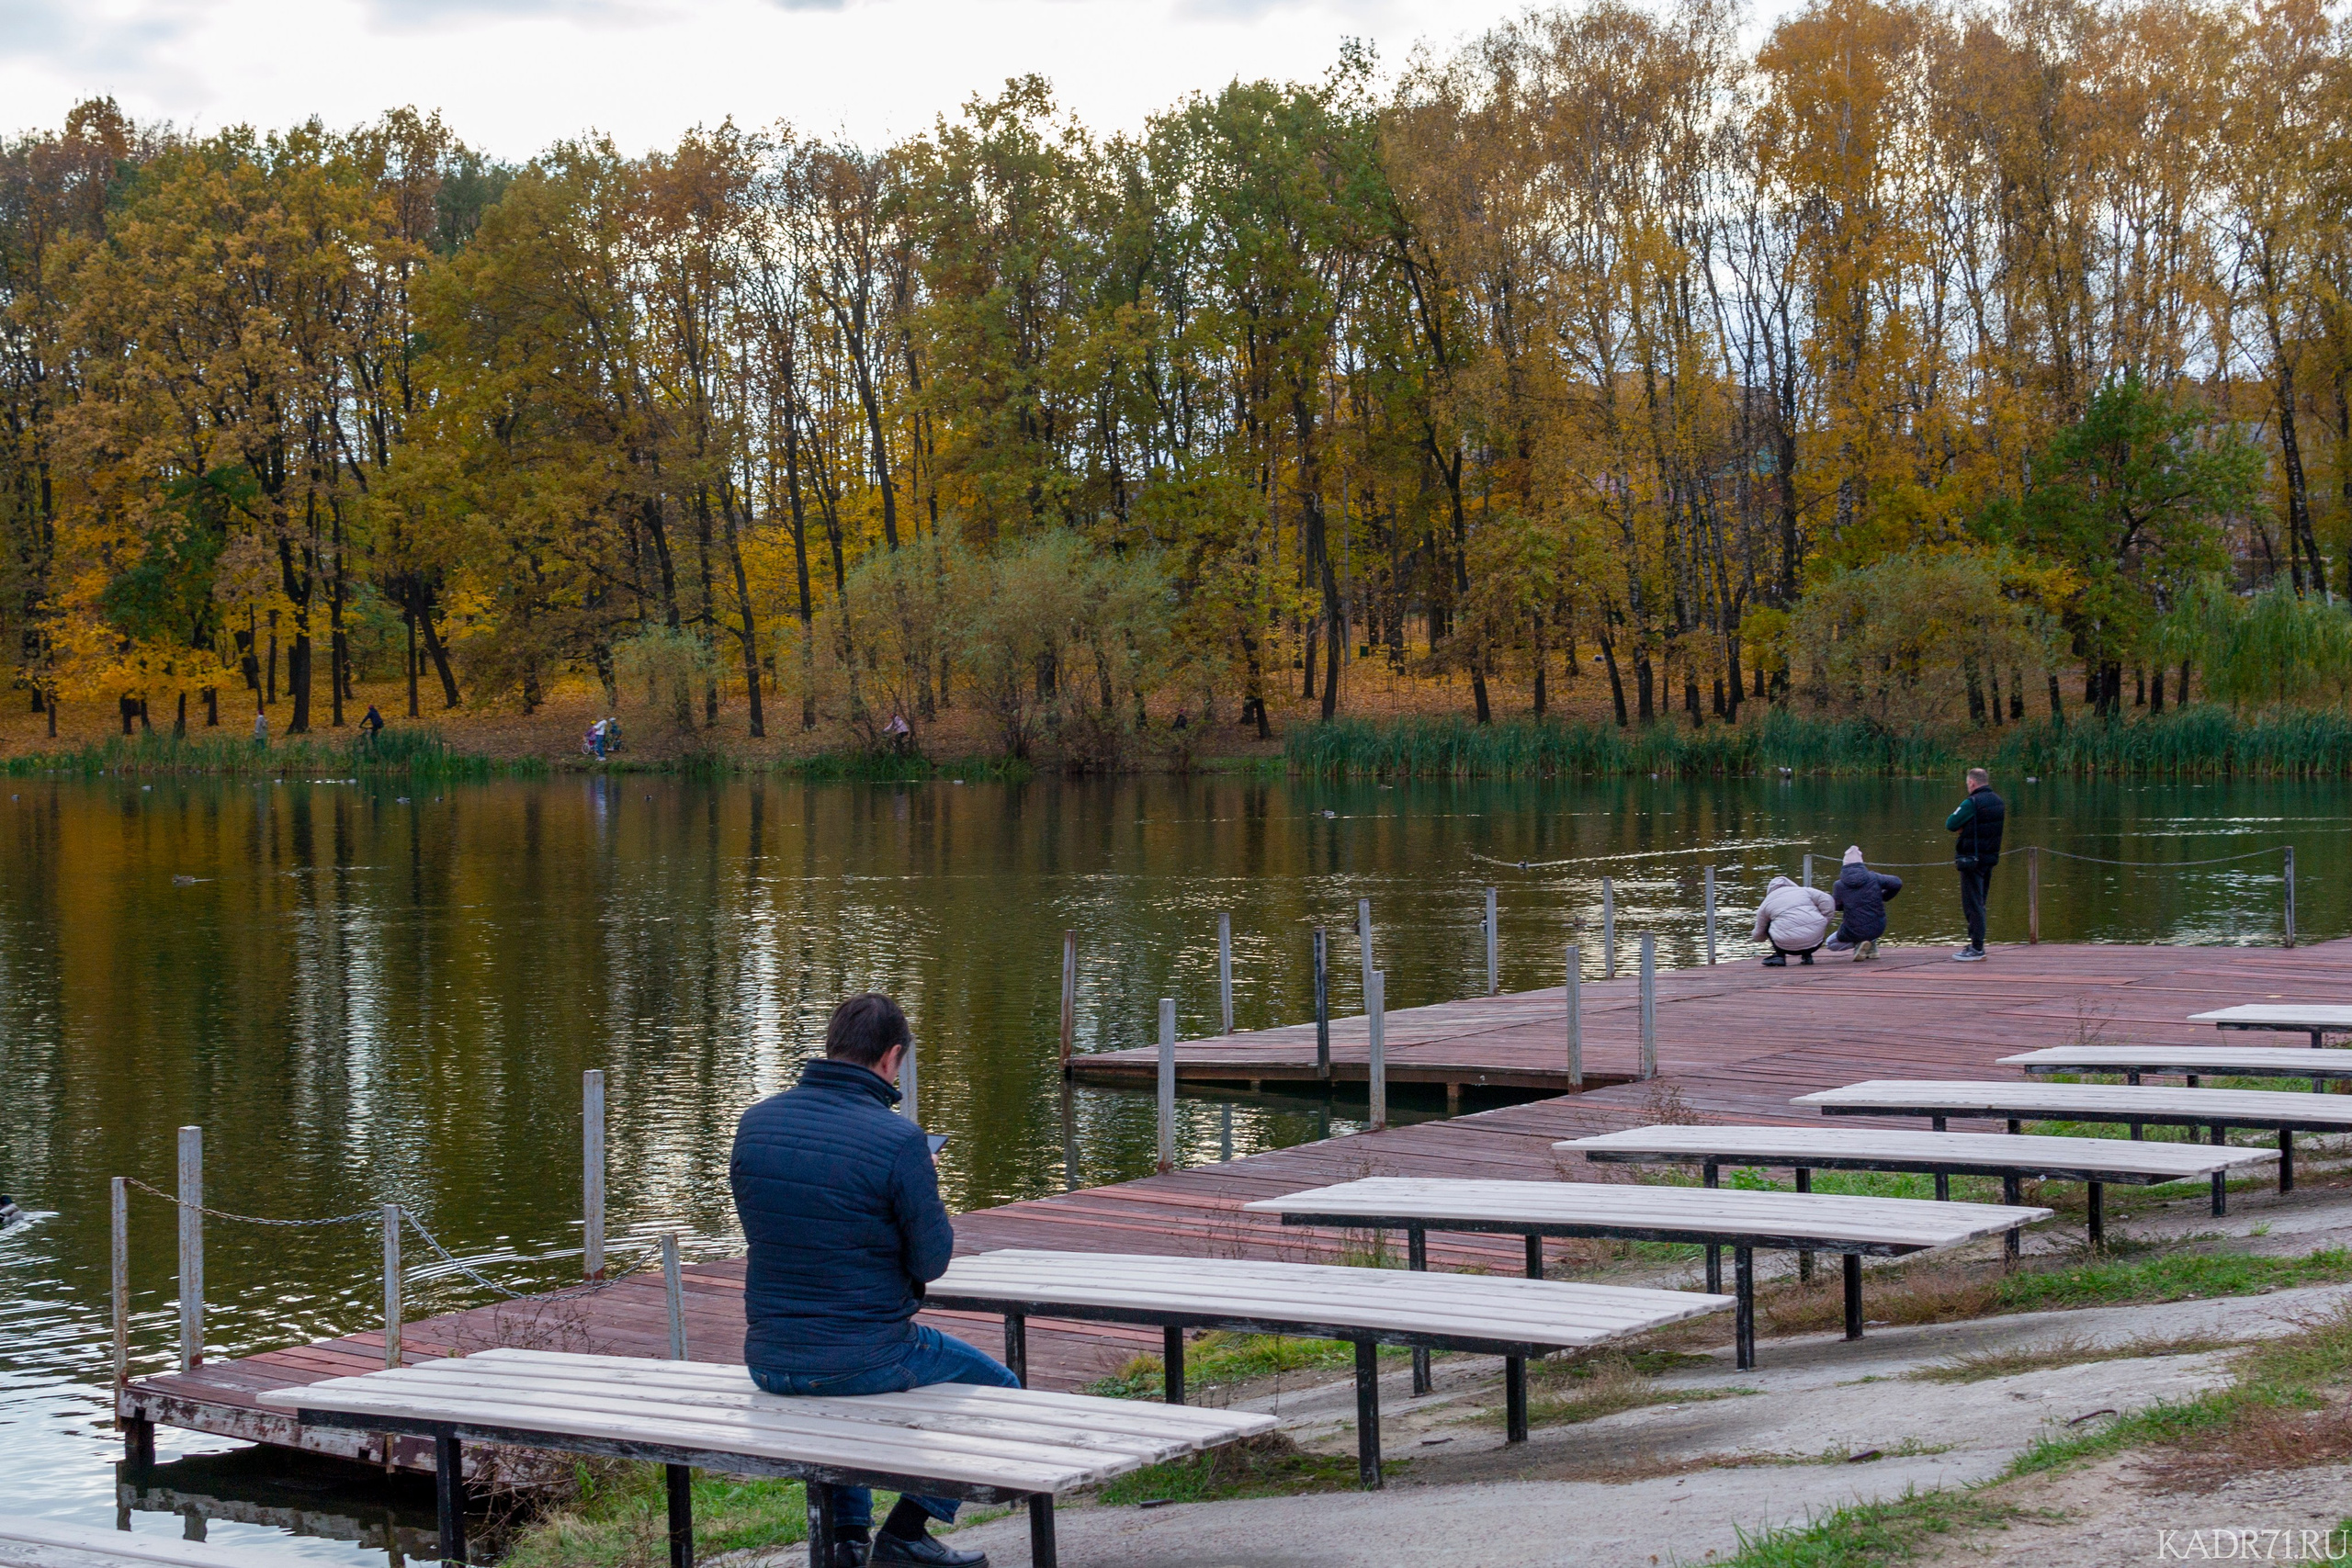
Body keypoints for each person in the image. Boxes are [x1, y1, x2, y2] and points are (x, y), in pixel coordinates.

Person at [730, 994, 1005, 1568]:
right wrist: (922, 1182)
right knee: (1001, 1391)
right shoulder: (900, 1142)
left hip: (768, 1357)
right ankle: (905, 1534)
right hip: (863, 1355)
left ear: (833, 1046)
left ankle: (845, 1541)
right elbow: (933, 1262)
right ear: (891, 1057)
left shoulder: (755, 1124)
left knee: (838, 1384)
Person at [1946, 766, 2007, 961]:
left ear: (1972, 783)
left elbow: (1951, 824)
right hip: (1989, 859)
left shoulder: (1971, 802)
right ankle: (1976, 943)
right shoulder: (1998, 802)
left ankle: (1977, 947)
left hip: (1971, 860)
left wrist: (1964, 826)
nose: (1967, 787)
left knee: (1973, 904)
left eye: (1967, 784)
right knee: (1981, 901)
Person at [1824, 846, 1902, 961]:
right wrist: (1884, 897)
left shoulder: (1839, 885)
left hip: (1852, 930)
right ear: (1861, 863)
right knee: (1869, 928)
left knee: (1830, 943)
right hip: (1878, 927)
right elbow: (1897, 883)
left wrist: (1845, 904)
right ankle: (1871, 945)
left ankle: (1858, 944)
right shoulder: (1874, 878)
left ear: (1844, 865)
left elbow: (1836, 906)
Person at [1751, 874, 1836, 965]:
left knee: (1768, 922)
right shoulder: (1804, 891)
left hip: (1785, 946)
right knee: (1810, 917)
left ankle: (1780, 956)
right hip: (1815, 943)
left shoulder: (1766, 903)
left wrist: (1761, 939)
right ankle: (1807, 956)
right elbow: (1827, 899)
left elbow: (1758, 933)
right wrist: (1825, 919)